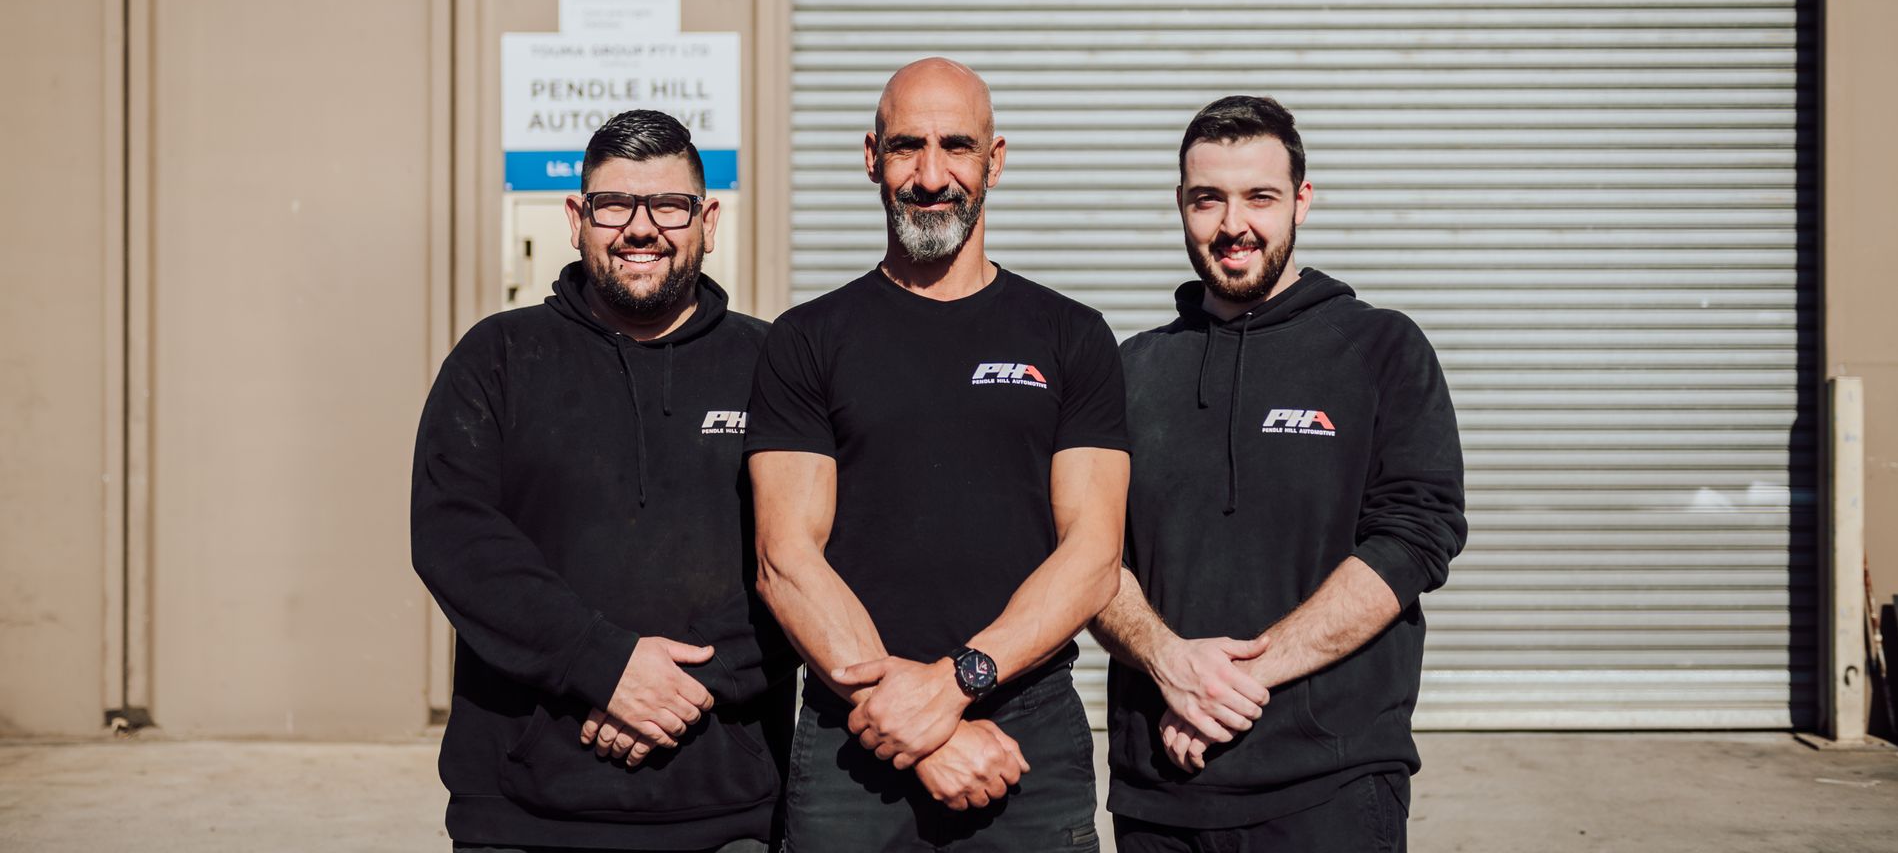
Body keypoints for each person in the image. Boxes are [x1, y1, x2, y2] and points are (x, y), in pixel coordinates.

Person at [746, 57, 1131, 852]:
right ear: (871, 157)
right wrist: (917, 722)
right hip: (853, 731)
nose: (930, 176)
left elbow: (1093, 556)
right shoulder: (806, 341)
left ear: (995, 160)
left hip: (1026, 731)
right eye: (905, 147)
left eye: (956, 146)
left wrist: (956, 684)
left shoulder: (1072, 336)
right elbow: (786, 560)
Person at [1092, 95, 1467, 853]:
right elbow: (1086, 553)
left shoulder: (1381, 350)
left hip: (1331, 784)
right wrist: (1169, 662)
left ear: (1302, 199)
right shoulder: (1129, 370)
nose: (1234, 224)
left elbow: (1416, 536)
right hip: (1159, 787)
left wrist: (1239, 678)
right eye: (1209, 199)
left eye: (1259, 196)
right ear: (1181, 204)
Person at [412, 110, 793, 853]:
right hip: (520, 812)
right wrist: (603, 663)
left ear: (709, 221)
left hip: (726, 810)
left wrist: (685, 684)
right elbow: (455, 539)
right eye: (614, 204)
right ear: (576, 219)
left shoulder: (773, 367)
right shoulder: (497, 358)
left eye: (669, 205)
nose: (640, 228)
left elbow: (813, 555)